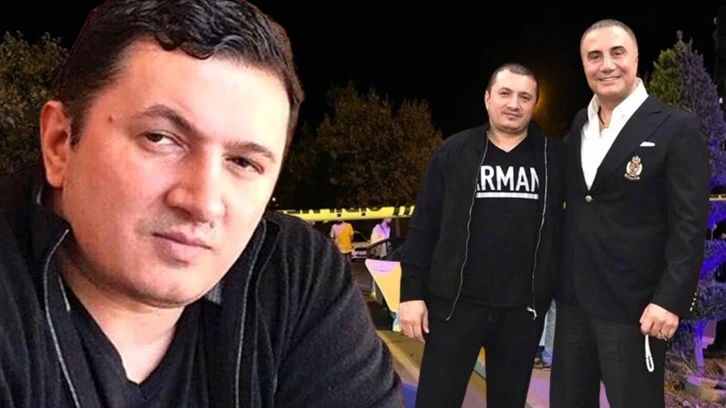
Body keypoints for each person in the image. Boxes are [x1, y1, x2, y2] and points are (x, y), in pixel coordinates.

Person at [0, 1, 403, 407]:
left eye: (243, 162)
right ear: (59, 144)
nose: (204, 203)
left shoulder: (295, 278)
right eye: (160, 138)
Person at [551, 19, 710, 408]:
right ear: (584, 64)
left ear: (636, 57)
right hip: (574, 306)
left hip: (635, 310)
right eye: (594, 56)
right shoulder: (580, 123)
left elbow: (689, 226)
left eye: (617, 53)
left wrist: (670, 300)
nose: (606, 65)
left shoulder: (676, 127)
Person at [398, 63, 566, 408]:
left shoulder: (555, 158)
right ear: (488, 99)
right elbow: (424, 225)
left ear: (534, 104)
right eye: (505, 93)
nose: (514, 104)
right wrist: (411, 293)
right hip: (454, 308)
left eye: (524, 97)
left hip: (522, 313)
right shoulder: (453, 152)